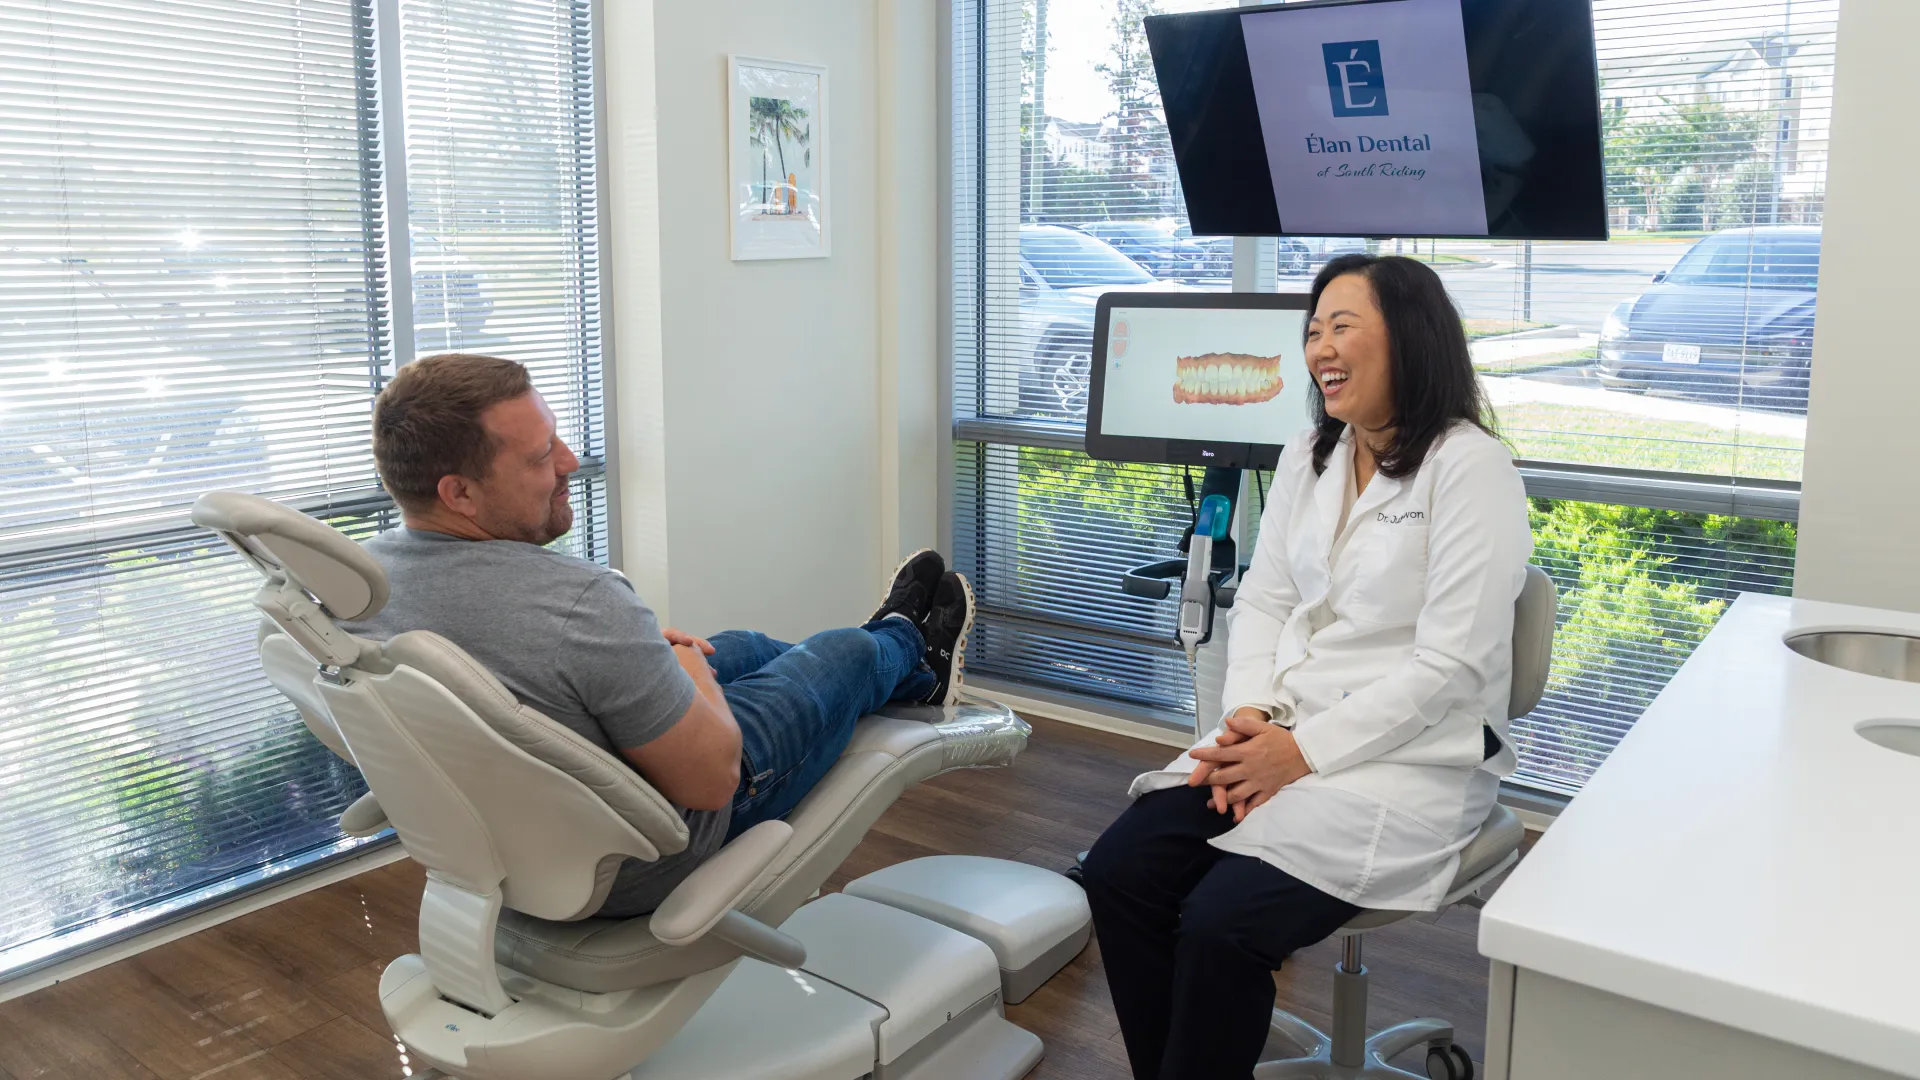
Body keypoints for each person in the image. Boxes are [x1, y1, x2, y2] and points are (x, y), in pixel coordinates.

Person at [1080, 255, 1532, 1080]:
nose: (1320, 345)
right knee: (1120, 873)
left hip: (1404, 764)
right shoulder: (1310, 453)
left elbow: (1451, 666)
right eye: (1313, 329)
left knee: (1221, 924)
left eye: (1342, 326)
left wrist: (1302, 753)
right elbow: (1263, 601)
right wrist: (1251, 716)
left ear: (1411, 340)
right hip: (1278, 735)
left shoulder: (1471, 468)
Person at [343, 352, 975, 917]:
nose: (570, 461)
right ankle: (903, 644)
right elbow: (710, 783)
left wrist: (648, 655)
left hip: (524, 835)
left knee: (746, 647)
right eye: (541, 456)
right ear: (459, 493)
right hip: (643, 855)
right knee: (846, 652)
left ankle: (909, 679)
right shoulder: (580, 603)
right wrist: (687, 670)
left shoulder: (364, 587)